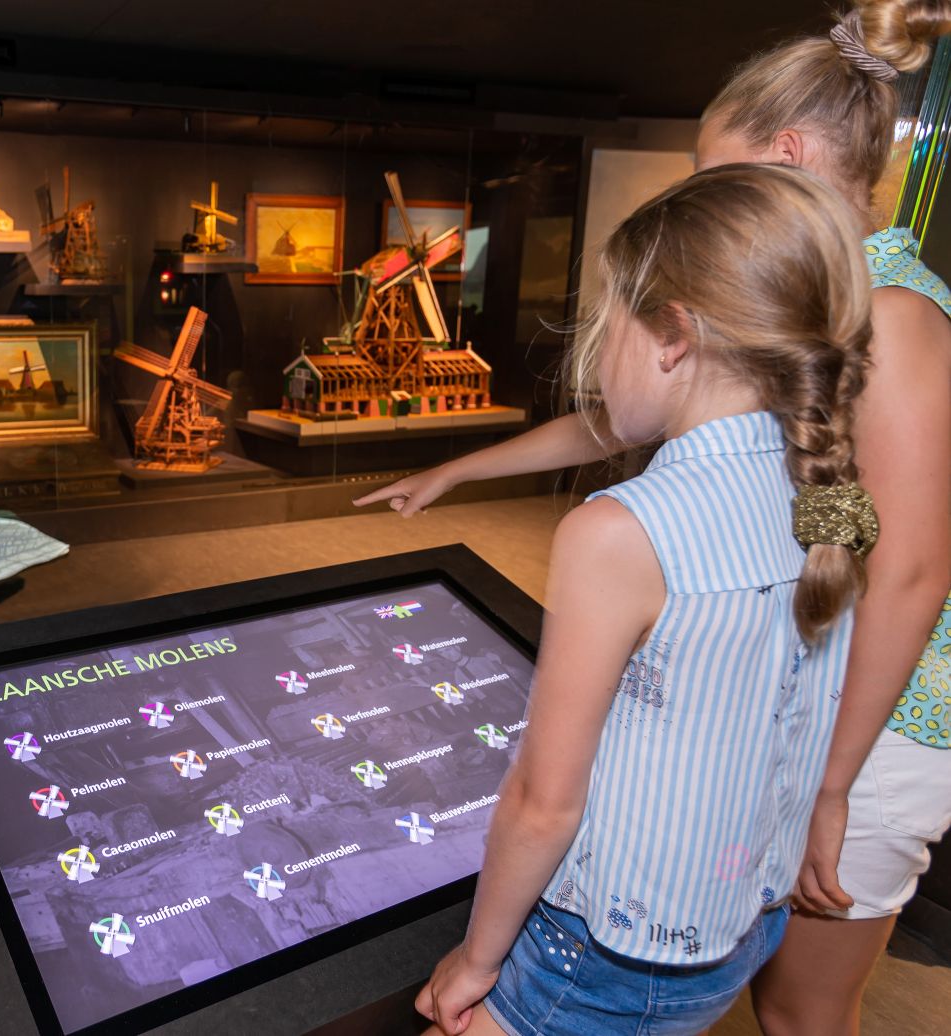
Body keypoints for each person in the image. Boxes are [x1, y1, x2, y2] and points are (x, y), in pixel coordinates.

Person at [358, 5, 951, 1033]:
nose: (699, 199)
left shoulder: (891, 312)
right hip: (784, 732)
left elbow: (901, 573)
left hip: (875, 719)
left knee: (805, 1009)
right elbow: (664, 432)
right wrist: (461, 465)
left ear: (786, 157)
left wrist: (826, 784)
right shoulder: (799, 310)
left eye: (713, 175)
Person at [413, 163, 876, 1036]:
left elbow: (544, 802)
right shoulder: (835, 491)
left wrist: (475, 963)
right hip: (744, 922)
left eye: (606, 321)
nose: (598, 349)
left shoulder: (617, 531)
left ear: (671, 336)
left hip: (600, 960)